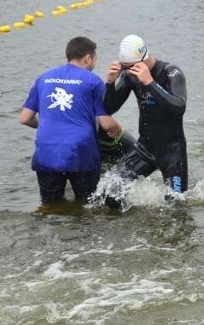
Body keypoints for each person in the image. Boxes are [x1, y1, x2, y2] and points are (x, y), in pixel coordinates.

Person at [18, 36, 120, 204]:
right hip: (81, 153)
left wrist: (45, 126)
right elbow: (106, 123)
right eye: (95, 58)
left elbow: (24, 118)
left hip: (46, 154)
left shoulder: (43, 78)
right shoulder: (93, 81)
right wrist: (118, 131)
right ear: (88, 58)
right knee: (89, 205)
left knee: (50, 207)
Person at [103, 34, 188, 201]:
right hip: (145, 148)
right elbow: (108, 108)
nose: (128, 71)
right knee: (110, 195)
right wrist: (110, 84)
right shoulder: (130, 76)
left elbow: (179, 108)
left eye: (131, 67)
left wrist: (150, 83)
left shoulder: (171, 72)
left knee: (176, 206)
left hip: (173, 152)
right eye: (124, 67)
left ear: (144, 58)